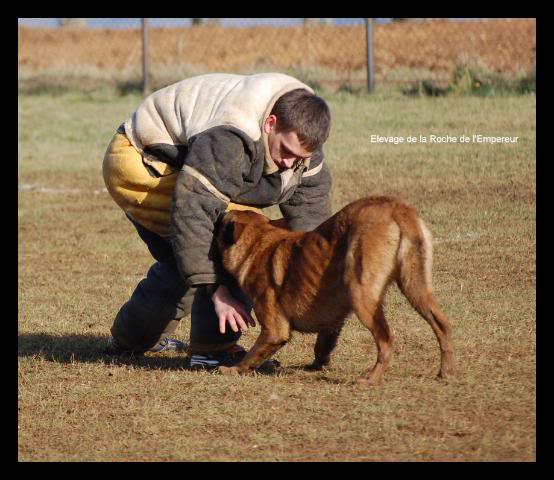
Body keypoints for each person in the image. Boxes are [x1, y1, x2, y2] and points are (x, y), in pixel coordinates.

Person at [102, 72, 332, 369]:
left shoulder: (302, 131)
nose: (290, 163)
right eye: (286, 152)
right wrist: (218, 290)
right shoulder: (232, 137)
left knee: (181, 263)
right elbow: (194, 211)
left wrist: (315, 273)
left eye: (300, 158)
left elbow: (311, 213)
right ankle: (214, 352)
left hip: (181, 165)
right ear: (270, 123)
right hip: (140, 161)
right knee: (242, 240)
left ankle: (130, 340)